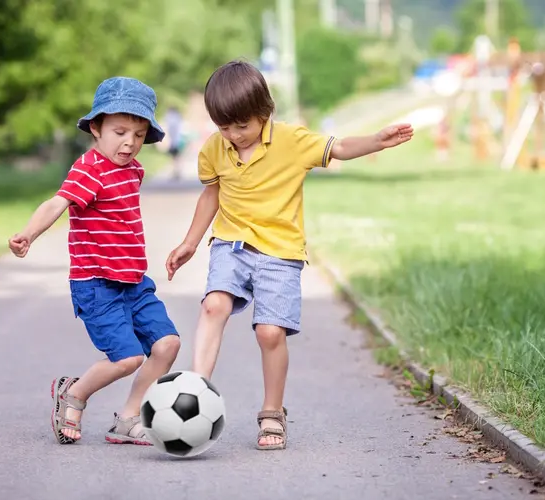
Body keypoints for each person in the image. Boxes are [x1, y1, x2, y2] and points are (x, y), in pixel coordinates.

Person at [165, 61, 413, 451]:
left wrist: (377, 141)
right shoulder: (215, 148)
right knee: (213, 305)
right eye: (224, 127)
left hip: (280, 252)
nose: (233, 135)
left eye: (241, 126)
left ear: (265, 113)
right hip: (230, 243)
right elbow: (211, 195)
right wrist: (190, 242)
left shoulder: (291, 141)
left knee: (270, 332)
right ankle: (196, 392)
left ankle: (272, 411)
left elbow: (340, 147)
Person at [8, 77, 181, 445]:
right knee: (127, 358)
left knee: (167, 344)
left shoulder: (133, 171)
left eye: (138, 134)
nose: (129, 142)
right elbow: (57, 202)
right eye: (119, 131)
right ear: (96, 129)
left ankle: (129, 417)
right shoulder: (89, 169)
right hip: (98, 284)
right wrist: (28, 234)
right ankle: (74, 395)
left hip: (134, 281)